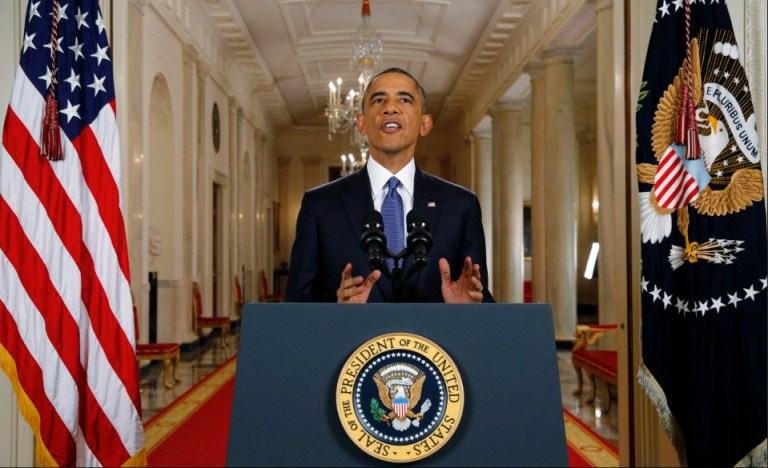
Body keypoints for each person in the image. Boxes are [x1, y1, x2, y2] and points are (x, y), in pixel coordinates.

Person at [285, 67, 493, 303]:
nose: (390, 108)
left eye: (404, 99)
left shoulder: (462, 205)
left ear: (425, 124)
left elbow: (482, 300)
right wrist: (337, 311)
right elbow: (296, 307)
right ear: (361, 124)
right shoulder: (319, 205)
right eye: (379, 100)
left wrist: (468, 310)